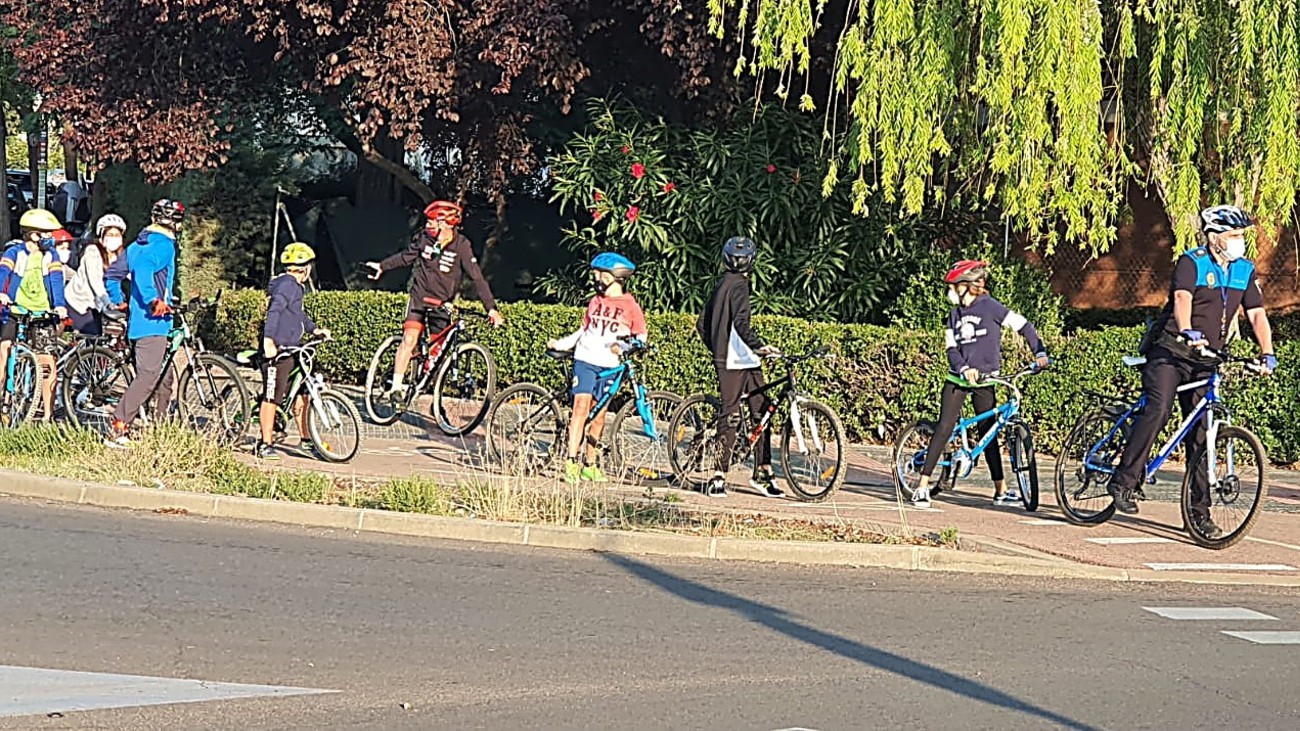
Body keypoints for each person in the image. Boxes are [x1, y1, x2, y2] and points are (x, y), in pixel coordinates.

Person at [1106, 205, 1276, 538]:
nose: (1239, 241)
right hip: (1171, 352)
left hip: (1206, 358)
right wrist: (1186, 330)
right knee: (1159, 408)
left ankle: (1198, 514)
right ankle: (1123, 481)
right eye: (1233, 235)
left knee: (1202, 434)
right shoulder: (1192, 262)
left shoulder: (1243, 270)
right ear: (1214, 237)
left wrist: (1267, 353)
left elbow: (1257, 314)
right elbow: (1182, 298)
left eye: (1242, 235)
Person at [910, 260, 1050, 509]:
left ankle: (1000, 490)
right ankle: (922, 486)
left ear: (967, 286)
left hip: (986, 380)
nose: (950, 291)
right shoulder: (954, 315)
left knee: (988, 433)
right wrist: (964, 369)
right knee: (944, 427)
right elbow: (951, 350)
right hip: (958, 380)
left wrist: (1039, 352)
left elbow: (1024, 326)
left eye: (953, 286)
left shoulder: (990, 307)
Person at [364, 200, 503, 399]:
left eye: (431, 222)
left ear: (445, 224)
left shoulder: (462, 245)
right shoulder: (424, 239)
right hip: (419, 299)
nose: (427, 225)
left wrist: (491, 309)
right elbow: (405, 257)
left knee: (437, 354)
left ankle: (426, 389)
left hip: (442, 304)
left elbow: (477, 277)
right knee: (409, 339)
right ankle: (396, 388)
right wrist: (382, 266)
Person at [546, 252, 647, 484]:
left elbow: (640, 335)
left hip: (609, 364)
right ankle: (571, 461)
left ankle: (590, 465)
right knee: (580, 408)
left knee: (599, 415)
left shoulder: (631, 306)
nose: (596, 279)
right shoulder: (595, 301)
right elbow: (584, 330)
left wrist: (625, 346)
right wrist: (562, 344)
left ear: (614, 277)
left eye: (600, 275)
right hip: (586, 359)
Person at [696, 237, 784, 499]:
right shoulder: (741, 286)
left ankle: (741, 473)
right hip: (740, 360)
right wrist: (759, 346)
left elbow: (702, 323)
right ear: (752, 261)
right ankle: (729, 475)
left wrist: (717, 349)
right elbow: (741, 323)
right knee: (751, 414)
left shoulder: (721, 284)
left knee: (752, 412)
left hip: (735, 359)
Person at [104, 199, 184, 448]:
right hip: (153, 323)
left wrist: (120, 301)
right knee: (148, 376)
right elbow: (144, 269)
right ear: (177, 223)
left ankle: (158, 431)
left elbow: (112, 275)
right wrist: (152, 300)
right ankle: (118, 426)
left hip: (141, 322)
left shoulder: (137, 244)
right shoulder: (164, 244)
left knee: (164, 378)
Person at [255, 242, 330, 461]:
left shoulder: (296, 287)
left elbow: (298, 315)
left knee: (302, 394)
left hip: (293, 349)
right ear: (305, 268)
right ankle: (265, 444)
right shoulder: (287, 285)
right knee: (272, 397)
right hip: (278, 352)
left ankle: (306, 441)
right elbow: (274, 312)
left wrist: (314, 329)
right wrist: (269, 341)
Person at [0, 211, 69, 421]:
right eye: (46, 233)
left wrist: (59, 305)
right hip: (15, 310)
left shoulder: (51, 256)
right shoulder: (15, 253)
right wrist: (2, 293)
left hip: (42, 314)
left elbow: (56, 281)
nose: (50, 237)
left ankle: (47, 416)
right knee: (4, 351)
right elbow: (3, 272)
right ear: (33, 234)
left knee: (47, 364)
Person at [64, 214, 127, 336]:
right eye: (110, 235)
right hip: (79, 302)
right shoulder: (92, 251)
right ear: (101, 236)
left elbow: (130, 275)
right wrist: (108, 302)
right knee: (93, 336)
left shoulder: (120, 256)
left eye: (117, 235)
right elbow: (95, 281)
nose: (114, 238)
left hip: (97, 305)